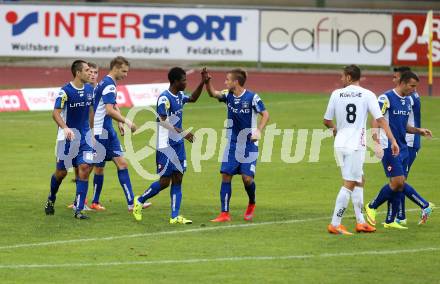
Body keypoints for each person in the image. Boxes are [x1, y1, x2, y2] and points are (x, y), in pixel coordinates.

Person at [323, 65, 399, 235]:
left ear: (349, 77)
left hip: (340, 144)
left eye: (343, 76)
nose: (341, 79)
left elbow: (326, 120)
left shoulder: (336, 94)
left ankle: (361, 222)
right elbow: (380, 119)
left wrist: (336, 130)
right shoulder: (368, 95)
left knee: (359, 179)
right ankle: (335, 223)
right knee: (349, 183)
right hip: (356, 145)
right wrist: (393, 140)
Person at [132, 67, 208, 224]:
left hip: (178, 144)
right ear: (175, 82)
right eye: (184, 80)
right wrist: (184, 132)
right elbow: (162, 121)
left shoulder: (180, 95)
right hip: (165, 145)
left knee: (178, 178)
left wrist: (203, 82)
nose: (186, 83)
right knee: (165, 181)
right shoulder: (164, 99)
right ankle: (139, 201)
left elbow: (193, 98)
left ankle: (174, 216)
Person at [365, 71, 434, 229]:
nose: (414, 89)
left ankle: (390, 221)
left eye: (416, 86)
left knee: (398, 184)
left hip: (402, 146)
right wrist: (376, 143)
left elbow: (404, 126)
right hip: (388, 145)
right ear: (402, 83)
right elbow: (375, 121)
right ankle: (372, 206)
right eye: (412, 86)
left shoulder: (408, 101)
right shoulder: (385, 98)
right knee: (398, 181)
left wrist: (418, 130)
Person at [205, 68, 270, 222]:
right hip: (233, 143)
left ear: (236, 82)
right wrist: (207, 82)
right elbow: (213, 93)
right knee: (226, 175)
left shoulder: (252, 97)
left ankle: (252, 202)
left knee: (247, 179)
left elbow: (265, 114)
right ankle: (224, 213)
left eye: (227, 80)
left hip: (249, 144)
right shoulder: (228, 95)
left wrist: (258, 131)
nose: (225, 82)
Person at [44, 60, 94, 219]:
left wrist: (91, 132)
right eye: (87, 70)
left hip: (84, 138)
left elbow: (90, 110)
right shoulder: (65, 92)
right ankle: (51, 198)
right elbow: (55, 113)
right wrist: (65, 128)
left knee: (85, 168)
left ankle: (78, 209)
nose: (90, 73)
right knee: (61, 173)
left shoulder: (89, 89)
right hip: (66, 139)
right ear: (78, 73)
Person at [93, 56, 138, 212]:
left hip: (104, 131)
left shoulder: (106, 82)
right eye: (124, 71)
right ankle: (87, 201)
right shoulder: (110, 85)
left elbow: (112, 105)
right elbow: (109, 110)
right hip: (102, 132)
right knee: (92, 167)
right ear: (116, 68)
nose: (126, 74)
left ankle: (131, 203)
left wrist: (118, 121)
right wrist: (128, 122)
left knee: (114, 165)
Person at [385, 66, 422, 224]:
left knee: (398, 181)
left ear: (402, 81)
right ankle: (399, 216)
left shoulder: (409, 97)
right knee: (397, 181)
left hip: (407, 142)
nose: (393, 81)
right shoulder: (409, 95)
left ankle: (400, 216)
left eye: (396, 78)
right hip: (404, 141)